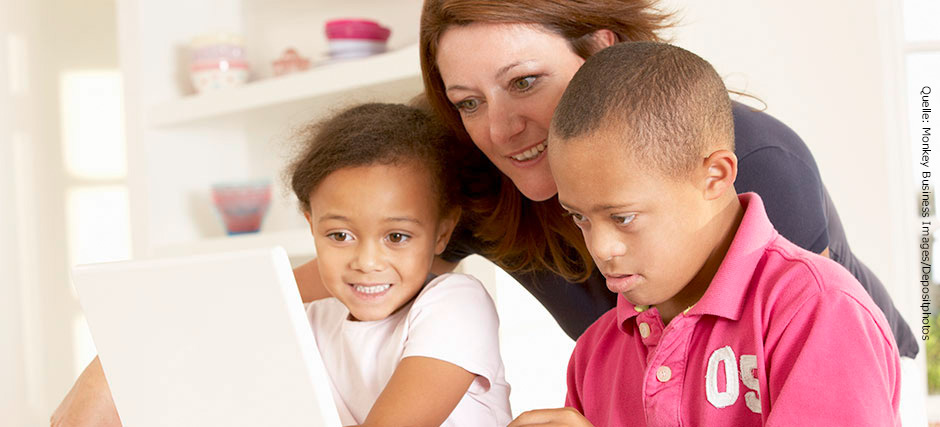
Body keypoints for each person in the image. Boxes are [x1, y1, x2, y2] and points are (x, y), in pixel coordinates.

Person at [51, 1, 916, 424]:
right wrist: (130, 354)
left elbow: (754, 363)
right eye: (466, 100)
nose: (500, 128)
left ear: (599, 51)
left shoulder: (753, 168)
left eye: (526, 83)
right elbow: (364, 260)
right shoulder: (486, 188)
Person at [510, 41, 900, 427]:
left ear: (715, 176)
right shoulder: (594, 353)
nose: (601, 247)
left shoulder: (819, 310)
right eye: (580, 217)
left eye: (623, 217)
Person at [292, 102, 512, 426]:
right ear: (312, 226)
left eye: (396, 237)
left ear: (442, 232)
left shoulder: (457, 304)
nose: (367, 262)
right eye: (340, 235)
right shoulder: (309, 322)